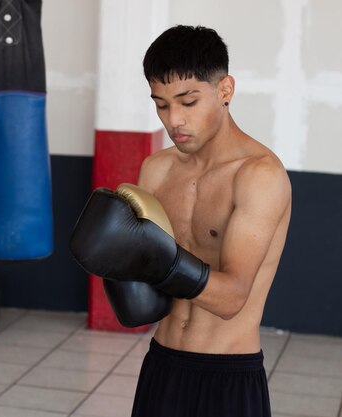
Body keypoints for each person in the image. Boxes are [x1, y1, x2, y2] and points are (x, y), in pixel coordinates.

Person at [70, 25, 292, 417]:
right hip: (163, 364)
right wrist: (116, 265)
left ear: (225, 90)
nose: (174, 120)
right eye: (161, 104)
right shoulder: (156, 169)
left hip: (228, 374)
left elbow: (231, 299)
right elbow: (140, 304)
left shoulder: (259, 176)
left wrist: (159, 258)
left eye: (188, 102)